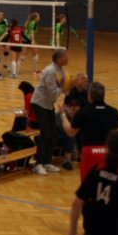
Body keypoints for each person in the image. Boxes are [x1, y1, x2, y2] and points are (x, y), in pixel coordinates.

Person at [30, 48, 69, 176]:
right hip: (40, 103)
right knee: (46, 134)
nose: (67, 58)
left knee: (53, 134)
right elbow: (53, 93)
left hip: (48, 104)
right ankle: (38, 164)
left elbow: (64, 90)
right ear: (58, 59)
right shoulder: (50, 71)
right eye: (65, 56)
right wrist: (64, 87)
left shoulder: (62, 71)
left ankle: (46, 162)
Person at [61, 81, 118, 153]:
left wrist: (63, 115)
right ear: (103, 95)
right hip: (108, 152)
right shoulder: (114, 112)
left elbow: (70, 133)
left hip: (89, 152)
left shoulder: (83, 112)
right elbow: (117, 133)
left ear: (89, 96)